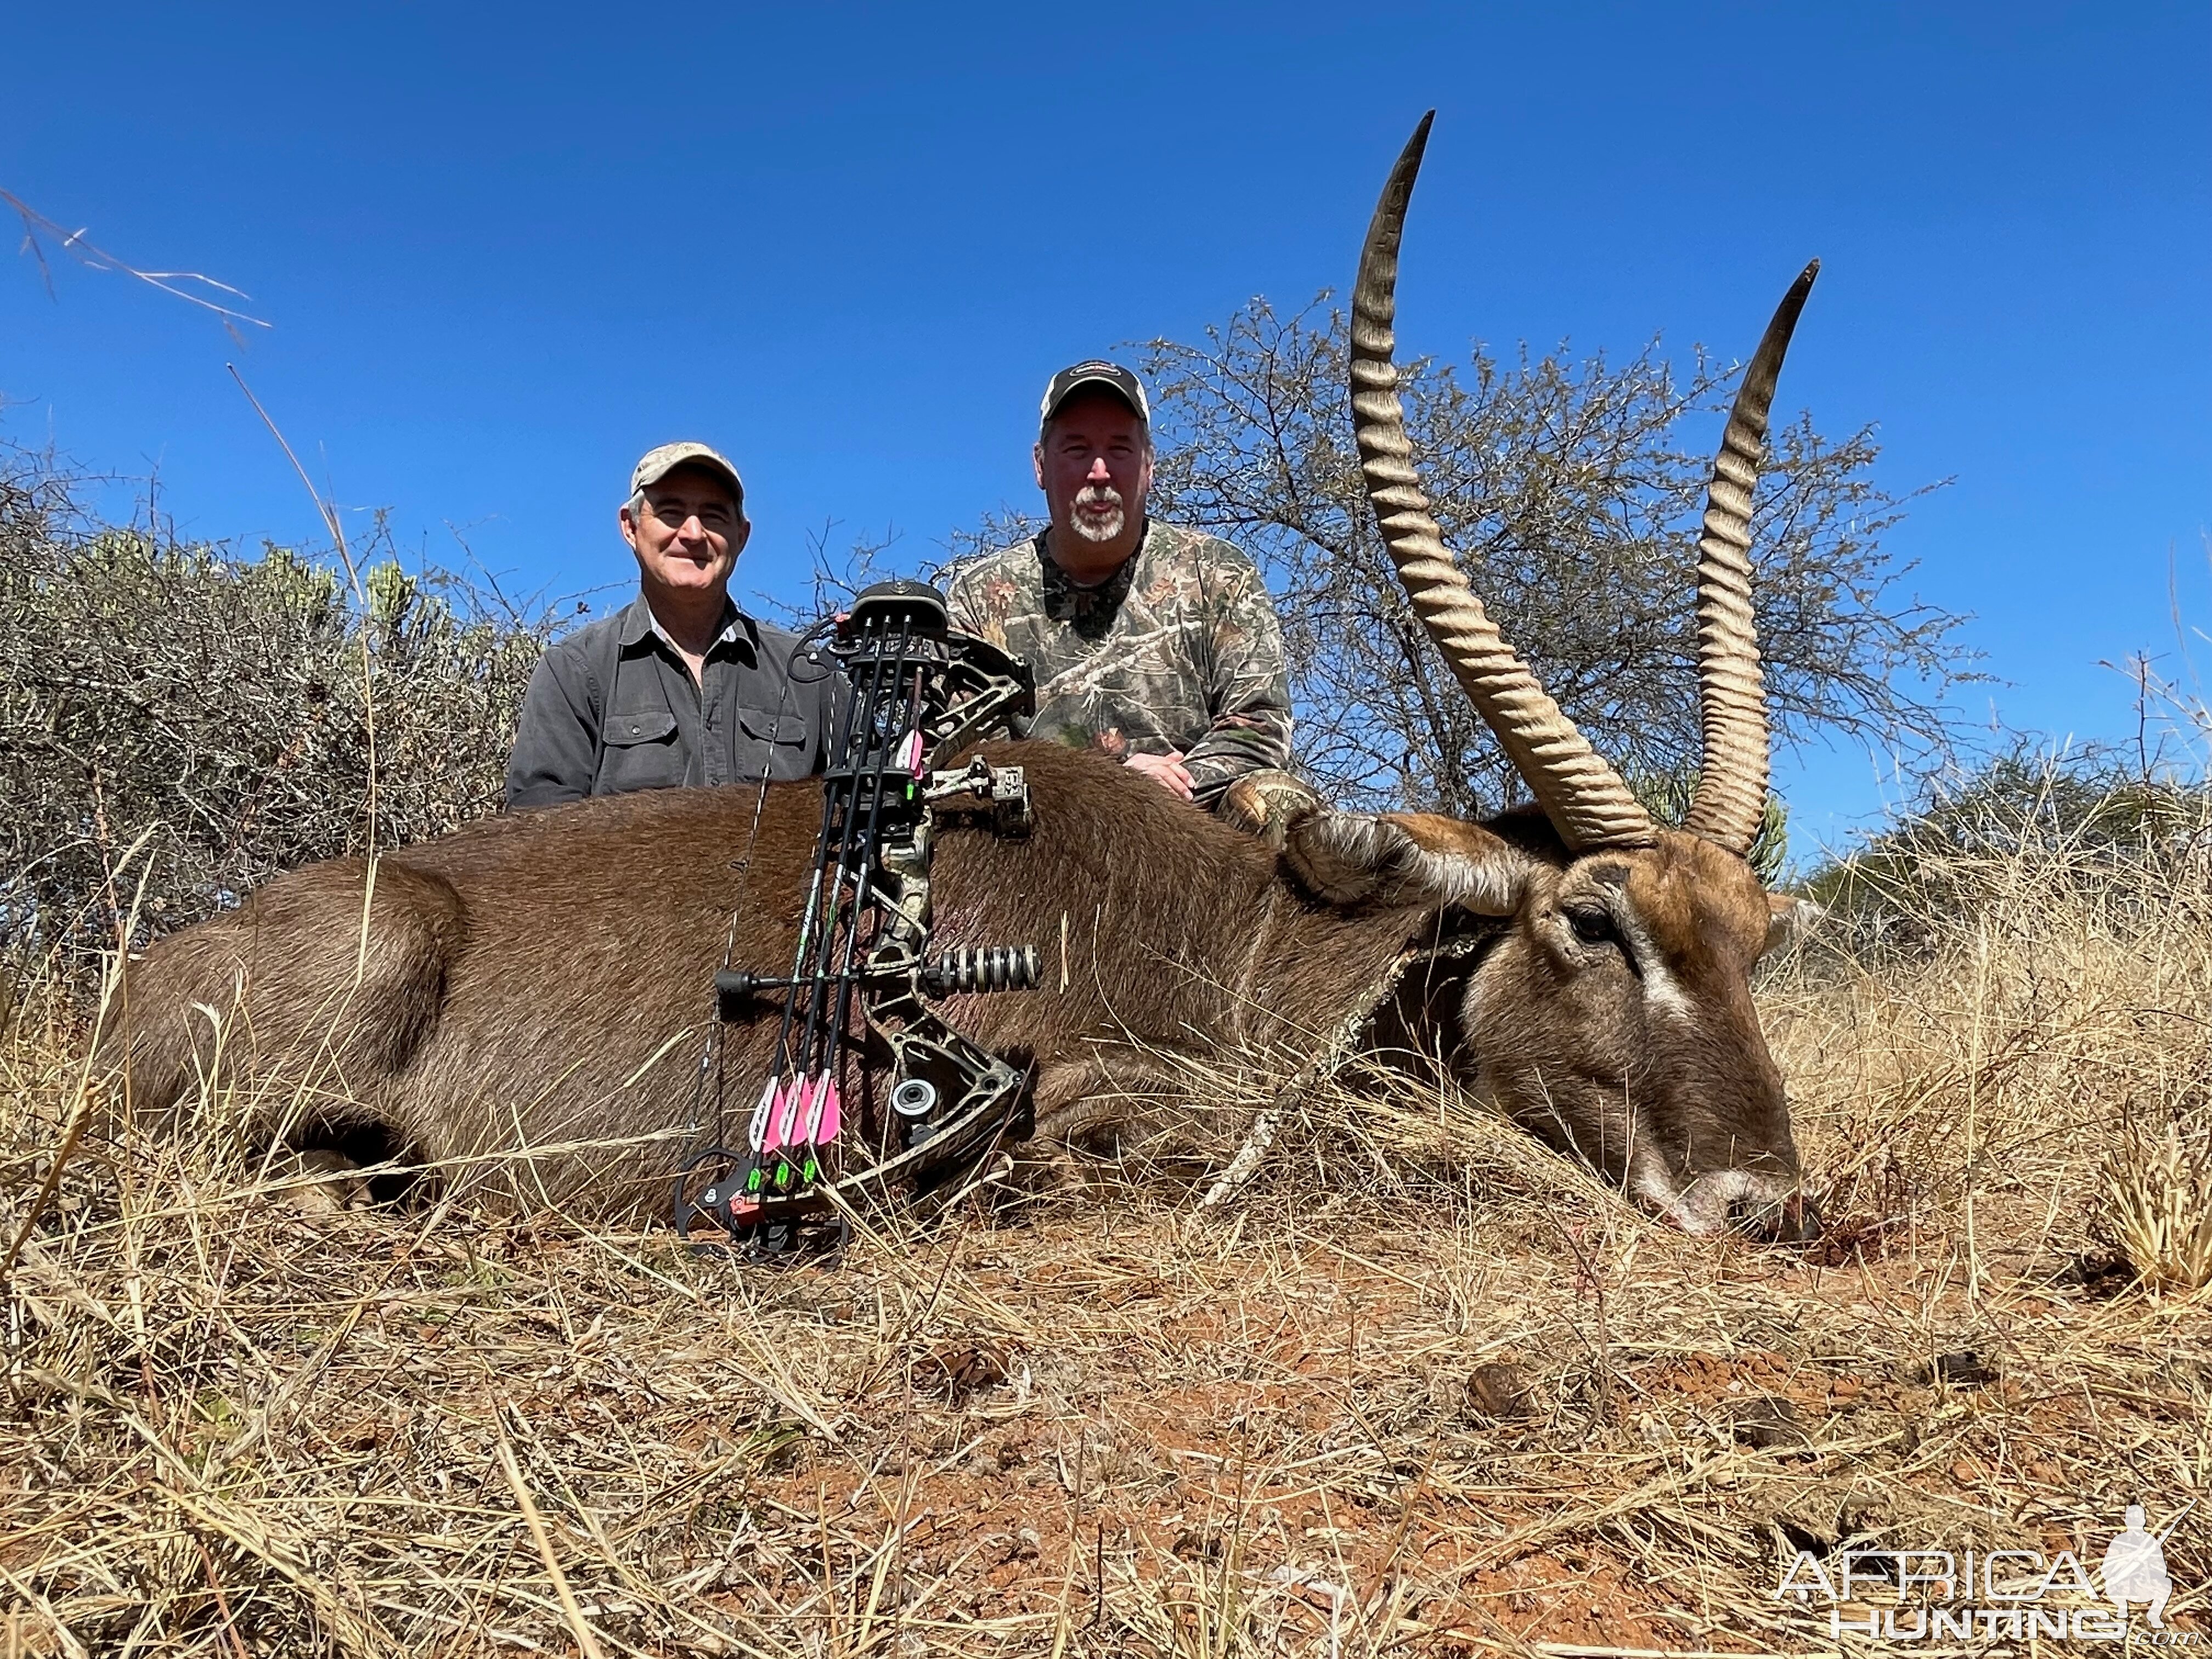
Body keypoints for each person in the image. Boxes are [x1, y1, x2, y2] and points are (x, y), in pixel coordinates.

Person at [945, 360, 1304, 831]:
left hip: (1193, 828)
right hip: (1040, 838)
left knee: (1281, 804)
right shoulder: (978, 596)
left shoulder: (1218, 572)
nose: (1099, 472)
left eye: (1119, 450)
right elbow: (968, 756)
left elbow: (1259, 730)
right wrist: (1111, 788)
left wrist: (1159, 796)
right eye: (1077, 450)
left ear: (1148, 466)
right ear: (1040, 466)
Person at [504, 442, 842, 810]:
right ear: (630, 527)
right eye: (671, 512)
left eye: (713, 515)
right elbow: (537, 823)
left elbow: (872, 809)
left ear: (741, 536)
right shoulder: (574, 669)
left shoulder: (811, 673)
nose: (693, 533)